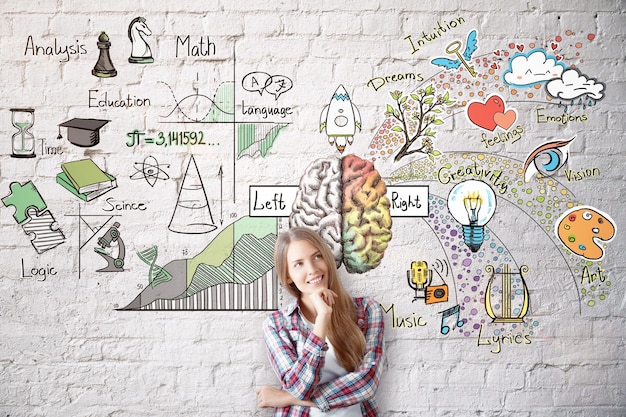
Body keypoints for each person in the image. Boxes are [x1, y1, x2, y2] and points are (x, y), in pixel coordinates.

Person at [256, 227, 385, 416]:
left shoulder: (366, 310)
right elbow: (299, 387)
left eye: (317, 257)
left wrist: (288, 398)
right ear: (288, 276)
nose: (312, 269)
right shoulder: (276, 325)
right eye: (298, 264)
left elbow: (367, 383)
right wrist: (322, 318)